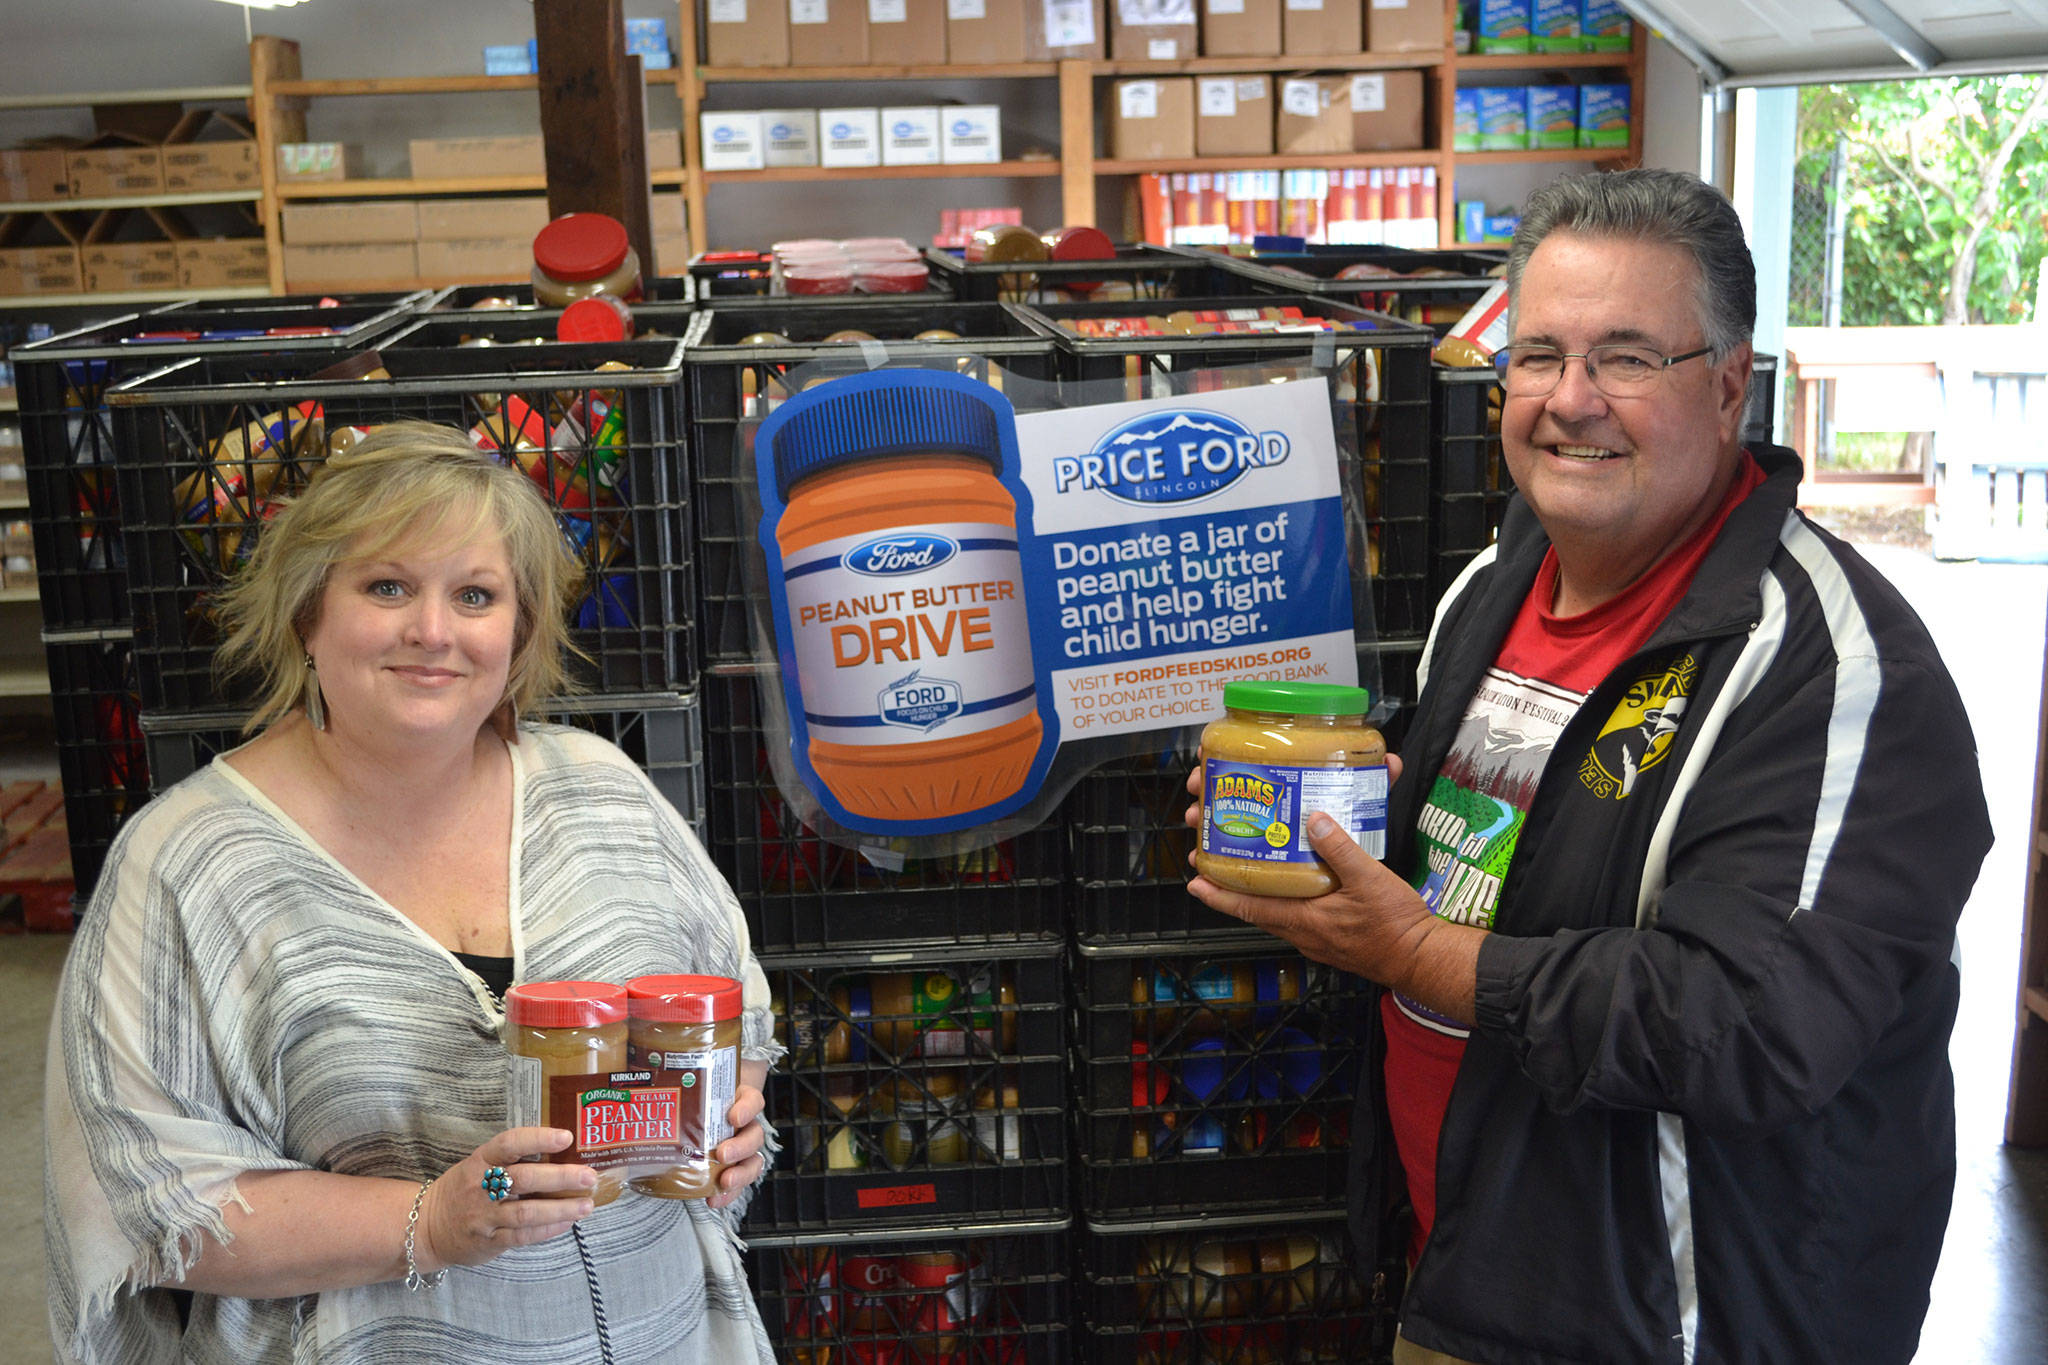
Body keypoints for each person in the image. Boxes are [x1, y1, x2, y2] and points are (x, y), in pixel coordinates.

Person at [1186, 169, 1993, 1364]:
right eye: (1537, 355)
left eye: (1624, 358)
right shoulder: (1491, 588)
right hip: (1467, 1264)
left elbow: (1750, 1025)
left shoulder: (1831, 671)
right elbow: (1487, 867)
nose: (1570, 401)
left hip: (1677, 1318)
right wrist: (1309, 828)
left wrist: (1412, 953)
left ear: (1726, 387)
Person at [45, 421, 782, 1363]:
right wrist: (429, 1221)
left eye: (474, 595)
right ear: (309, 613)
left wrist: (731, 1116)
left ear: (516, 635)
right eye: (387, 585)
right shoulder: (188, 861)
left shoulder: (604, 791)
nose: (432, 631)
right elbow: (144, 1192)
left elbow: (734, 1004)